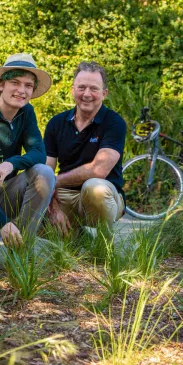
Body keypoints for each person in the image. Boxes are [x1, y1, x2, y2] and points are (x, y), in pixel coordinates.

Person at [0, 53, 56, 265]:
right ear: (1, 85)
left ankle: (21, 249)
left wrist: (10, 164)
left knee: (44, 173)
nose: (21, 90)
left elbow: (38, 152)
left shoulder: (26, 113)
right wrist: (4, 222)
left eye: (28, 85)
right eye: (15, 82)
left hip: (6, 192)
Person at [44, 61, 126, 235]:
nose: (87, 94)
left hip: (104, 196)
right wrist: (54, 208)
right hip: (65, 196)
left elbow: (99, 170)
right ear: (73, 90)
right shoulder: (56, 123)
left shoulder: (114, 122)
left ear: (104, 94)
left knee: (94, 187)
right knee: (33, 225)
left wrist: (54, 181)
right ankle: (78, 235)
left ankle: (103, 242)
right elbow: (45, 171)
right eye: (81, 87)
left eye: (94, 89)